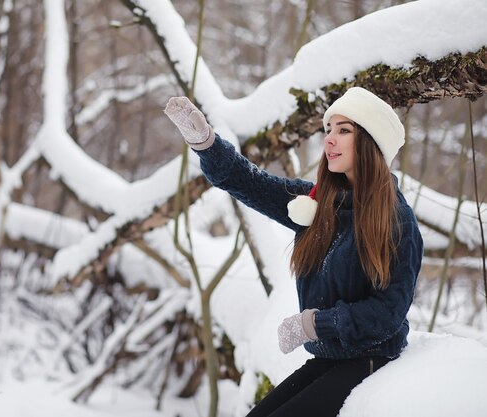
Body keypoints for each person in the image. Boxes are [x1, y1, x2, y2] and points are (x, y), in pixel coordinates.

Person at [164, 87, 424, 417]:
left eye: (344, 130)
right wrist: (208, 145)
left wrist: (316, 323)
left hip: (371, 359)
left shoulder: (396, 220)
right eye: (328, 129)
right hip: (331, 358)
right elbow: (253, 183)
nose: (329, 139)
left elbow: (388, 313)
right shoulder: (318, 205)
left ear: (373, 143)